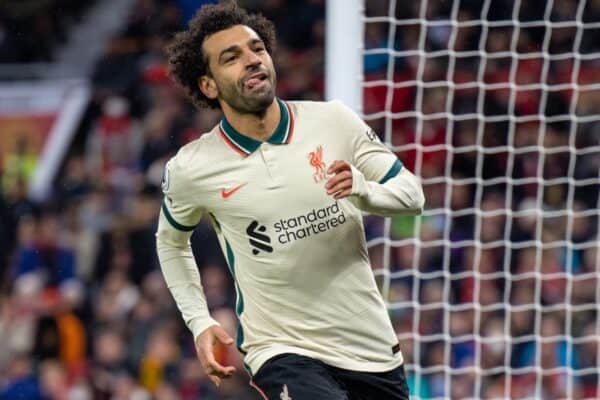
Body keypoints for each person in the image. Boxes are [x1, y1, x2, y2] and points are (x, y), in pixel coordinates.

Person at [156, 1, 424, 399]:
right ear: (208, 85)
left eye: (257, 49)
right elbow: (171, 242)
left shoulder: (333, 121)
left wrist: (364, 192)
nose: (251, 60)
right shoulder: (192, 168)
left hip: (371, 348)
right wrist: (199, 320)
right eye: (232, 57)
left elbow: (411, 194)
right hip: (281, 349)